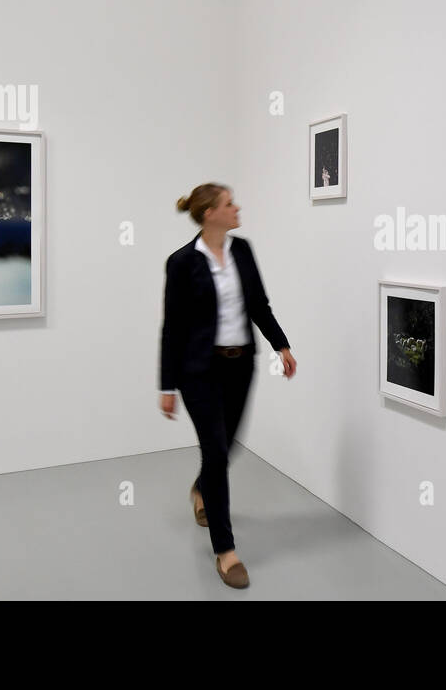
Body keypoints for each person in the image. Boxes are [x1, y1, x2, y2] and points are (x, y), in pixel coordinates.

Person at [158, 182, 297, 589]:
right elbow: (173, 328)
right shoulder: (181, 262)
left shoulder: (243, 250)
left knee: (228, 444)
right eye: (229, 203)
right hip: (198, 370)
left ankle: (201, 488)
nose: (237, 208)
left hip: (241, 367)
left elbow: (259, 305)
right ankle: (226, 550)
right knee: (216, 453)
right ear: (209, 214)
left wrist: (281, 345)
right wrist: (167, 385)